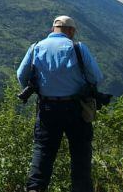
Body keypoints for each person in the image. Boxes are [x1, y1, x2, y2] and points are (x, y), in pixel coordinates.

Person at [17, 16, 105, 192]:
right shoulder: (78, 48)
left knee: (43, 153)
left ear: (53, 29)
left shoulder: (35, 47)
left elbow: (21, 76)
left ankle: (35, 189)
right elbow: (96, 77)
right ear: (71, 31)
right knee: (80, 156)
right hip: (76, 109)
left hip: (47, 108)